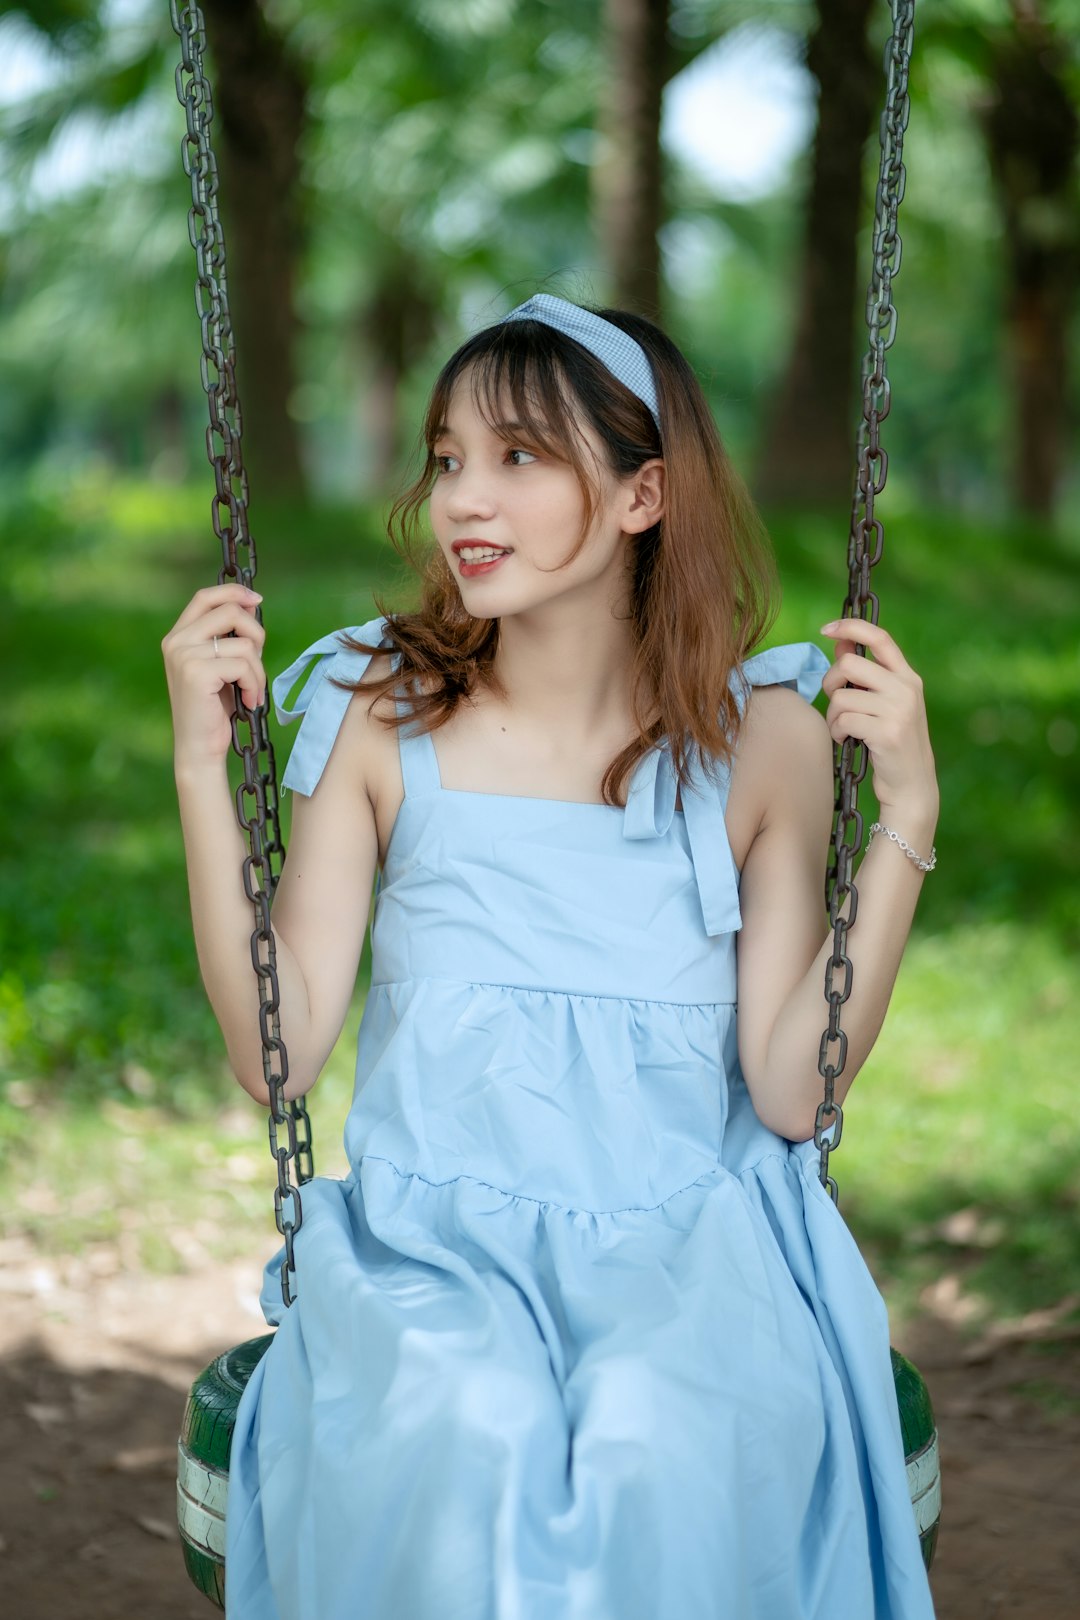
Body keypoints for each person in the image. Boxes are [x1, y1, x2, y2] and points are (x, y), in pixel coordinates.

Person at [162, 293, 939, 1619]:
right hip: (435, 1245)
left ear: (644, 495)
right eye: (450, 457)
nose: (466, 498)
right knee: (475, 1419)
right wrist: (197, 760)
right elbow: (275, 1053)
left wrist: (905, 822)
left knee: (652, 1429)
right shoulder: (376, 712)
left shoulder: (763, 744)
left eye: (521, 456)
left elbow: (790, 1089)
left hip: (686, 1245)